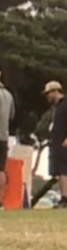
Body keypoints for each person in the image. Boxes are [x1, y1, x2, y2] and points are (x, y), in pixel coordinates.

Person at [44, 81, 67, 208]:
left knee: (65, 170)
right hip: (56, 143)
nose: (47, 97)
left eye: (48, 94)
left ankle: (65, 199)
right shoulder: (56, 107)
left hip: (66, 143)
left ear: (55, 91)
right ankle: (62, 198)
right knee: (59, 171)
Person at [0, 68, 14, 208]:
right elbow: (11, 115)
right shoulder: (8, 95)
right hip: (3, 136)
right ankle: (0, 200)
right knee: (1, 170)